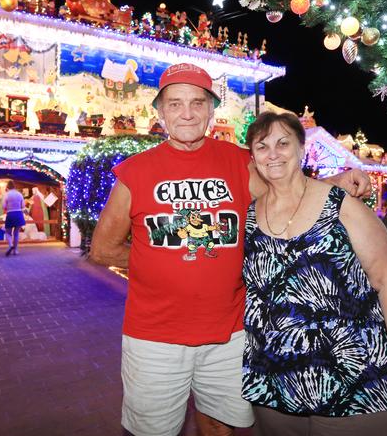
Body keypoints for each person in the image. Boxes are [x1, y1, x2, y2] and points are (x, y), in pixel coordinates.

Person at [90, 62, 372, 436]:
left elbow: (287, 191)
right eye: (174, 104)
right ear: (159, 112)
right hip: (153, 336)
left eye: (196, 103)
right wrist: (160, 261)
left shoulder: (239, 162)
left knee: (221, 427)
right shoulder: (134, 172)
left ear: (210, 109)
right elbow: (103, 249)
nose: (186, 113)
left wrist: (335, 180)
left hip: (229, 333)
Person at [242, 112, 387, 436]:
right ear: (253, 158)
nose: (273, 153)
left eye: (283, 143)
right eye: (263, 146)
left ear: (302, 150)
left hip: (356, 387)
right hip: (275, 388)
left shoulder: (343, 207)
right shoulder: (249, 215)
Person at [3, 180, 26, 256]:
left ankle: (10, 245)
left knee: (8, 232)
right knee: (16, 233)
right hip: (19, 213)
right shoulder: (19, 194)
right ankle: (15, 250)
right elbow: (23, 206)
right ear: (14, 186)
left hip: (10, 214)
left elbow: (4, 206)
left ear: (7, 187)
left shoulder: (6, 195)